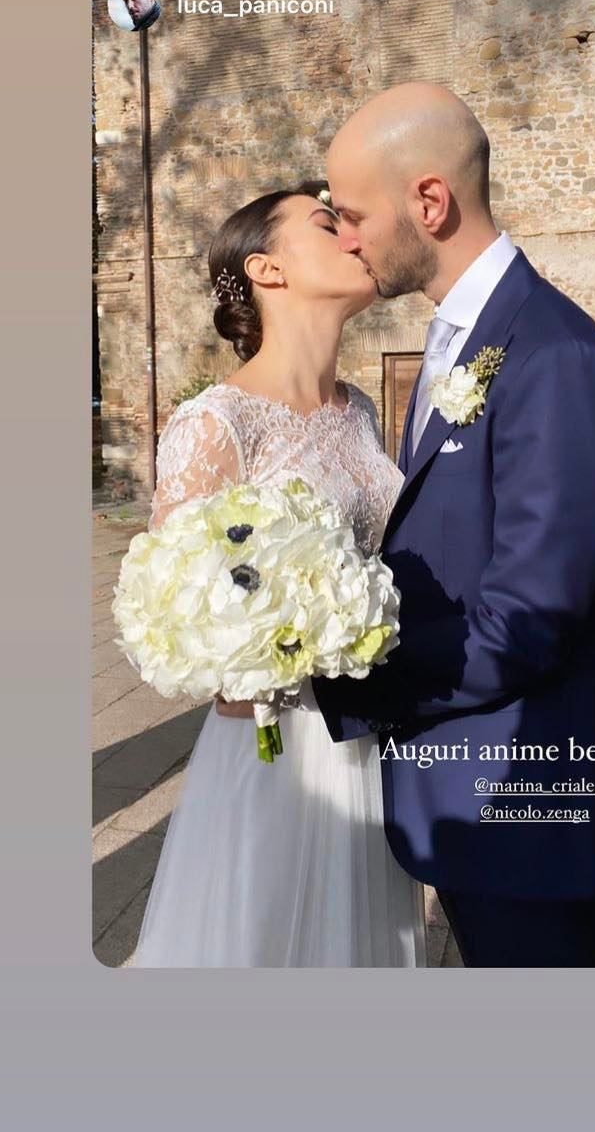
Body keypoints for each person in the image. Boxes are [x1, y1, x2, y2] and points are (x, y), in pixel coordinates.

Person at [313, 82, 595, 967]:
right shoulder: (459, 336)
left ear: (429, 201)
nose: (344, 237)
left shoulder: (555, 352)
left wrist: (342, 675)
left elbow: (528, 621)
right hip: (467, 795)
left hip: (529, 810)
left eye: (353, 215)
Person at [133, 180, 426, 967]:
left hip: (367, 738)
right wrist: (256, 656)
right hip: (278, 752)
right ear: (267, 270)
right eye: (328, 224)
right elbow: (165, 601)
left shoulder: (359, 410)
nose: (354, 236)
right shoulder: (217, 422)